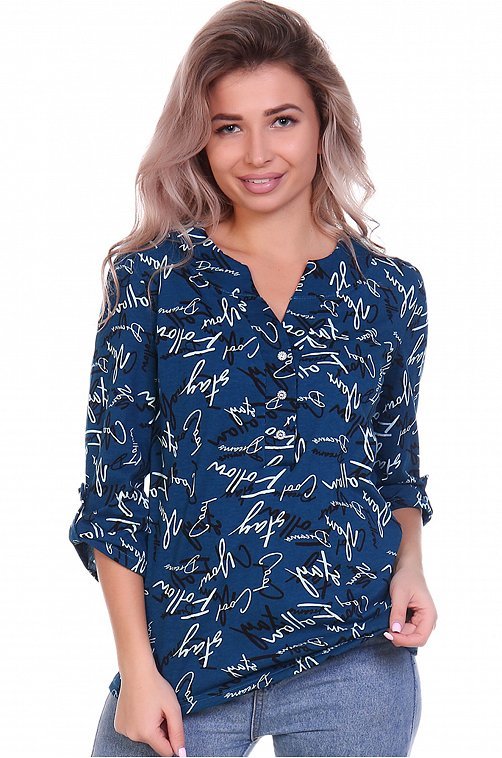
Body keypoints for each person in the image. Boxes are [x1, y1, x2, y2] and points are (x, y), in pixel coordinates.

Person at [68, 1, 438, 756]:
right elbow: (113, 495)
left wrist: (412, 568)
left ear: (324, 127)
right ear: (200, 141)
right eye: (228, 126)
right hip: (184, 662)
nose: (257, 153)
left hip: (356, 657)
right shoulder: (151, 282)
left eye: (283, 121)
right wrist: (135, 669)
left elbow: (393, 463)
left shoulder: (388, 289)